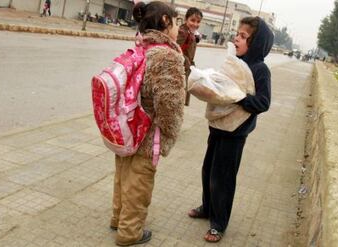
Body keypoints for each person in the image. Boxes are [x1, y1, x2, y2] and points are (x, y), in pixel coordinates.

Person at [187, 16, 274, 243]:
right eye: (238, 33)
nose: (236, 38)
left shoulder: (260, 69)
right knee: (208, 170)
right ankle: (207, 208)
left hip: (236, 133)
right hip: (218, 126)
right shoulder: (234, 61)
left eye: (243, 36)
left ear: (256, 43)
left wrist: (239, 98)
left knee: (223, 178)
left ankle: (219, 223)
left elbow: (263, 103)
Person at [110, 1, 185, 246]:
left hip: (126, 124)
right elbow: (170, 104)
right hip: (147, 129)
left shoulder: (142, 47)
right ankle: (130, 233)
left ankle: (118, 218)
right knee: (140, 181)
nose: (178, 28)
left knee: (123, 174)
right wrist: (170, 133)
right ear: (166, 21)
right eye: (176, 22)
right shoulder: (167, 55)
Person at [176, 7, 203, 106]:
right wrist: (187, 61)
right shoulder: (183, 32)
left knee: (180, 100)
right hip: (180, 69)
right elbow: (175, 49)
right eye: (192, 20)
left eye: (198, 21)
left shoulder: (191, 32)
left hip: (186, 68)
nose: (195, 24)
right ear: (186, 19)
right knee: (177, 99)